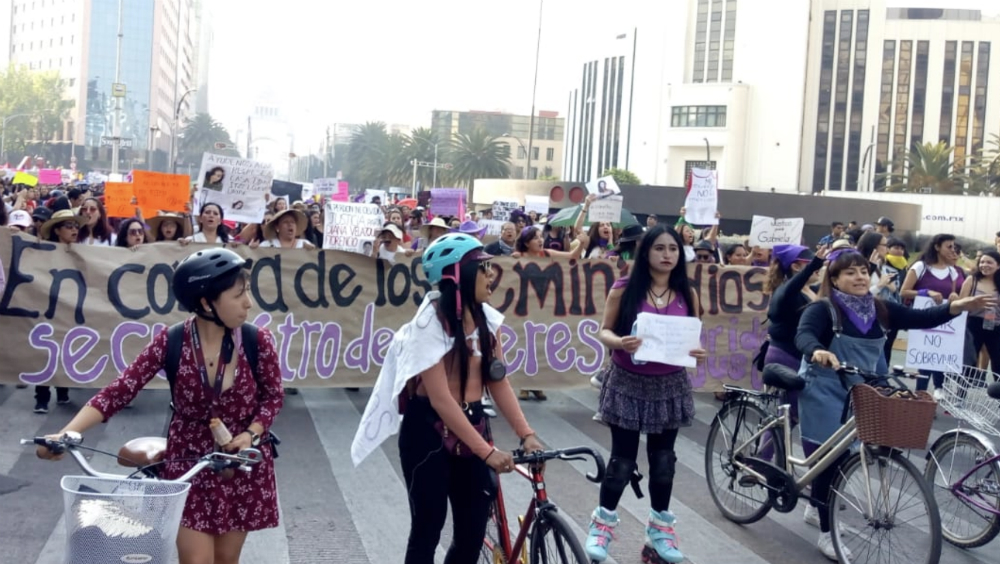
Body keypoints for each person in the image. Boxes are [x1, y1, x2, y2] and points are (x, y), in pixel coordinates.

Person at [36, 248, 284, 564]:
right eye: (239, 295)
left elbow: (274, 396)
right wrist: (65, 433)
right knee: (196, 561)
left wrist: (252, 432)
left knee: (225, 559)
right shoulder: (172, 341)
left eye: (247, 291)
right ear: (207, 303)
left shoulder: (256, 340)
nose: (249, 302)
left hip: (240, 464)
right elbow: (119, 391)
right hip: (187, 463)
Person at [351, 233, 543, 564]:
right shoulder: (428, 324)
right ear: (457, 275)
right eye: (482, 268)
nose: (490, 275)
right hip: (427, 433)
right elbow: (440, 399)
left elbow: (498, 382)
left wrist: (526, 434)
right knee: (427, 529)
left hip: (472, 423)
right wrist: (487, 452)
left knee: (471, 534)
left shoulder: (486, 319)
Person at [794, 248, 993, 560]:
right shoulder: (823, 310)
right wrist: (818, 350)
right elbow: (803, 336)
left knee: (848, 456)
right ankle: (824, 532)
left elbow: (922, 317)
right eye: (849, 273)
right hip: (825, 388)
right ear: (833, 279)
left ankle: (816, 502)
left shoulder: (881, 308)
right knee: (830, 460)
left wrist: (959, 306)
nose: (859, 277)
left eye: (862, 271)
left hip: (866, 388)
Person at [585, 225, 707, 564]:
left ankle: (659, 530)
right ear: (646, 253)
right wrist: (619, 342)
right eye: (660, 248)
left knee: (663, 462)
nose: (667, 254)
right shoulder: (625, 288)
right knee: (622, 463)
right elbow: (604, 330)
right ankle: (602, 525)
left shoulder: (687, 292)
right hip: (627, 380)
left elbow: (693, 335)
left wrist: (697, 351)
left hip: (670, 384)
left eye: (673, 249)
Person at [900, 233, 965, 396]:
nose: (952, 250)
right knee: (925, 352)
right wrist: (926, 292)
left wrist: (954, 296)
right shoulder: (921, 267)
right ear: (937, 247)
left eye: (954, 247)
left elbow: (951, 294)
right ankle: (921, 391)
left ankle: (938, 387)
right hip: (922, 316)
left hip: (943, 320)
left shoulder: (952, 272)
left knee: (940, 351)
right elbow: (904, 292)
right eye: (948, 246)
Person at [959, 250, 1000, 382]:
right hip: (973, 324)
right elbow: (960, 303)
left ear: (998, 265)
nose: (984, 265)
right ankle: (960, 397)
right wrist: (975, 304)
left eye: (989, 262)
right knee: (968, 362)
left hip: (995, 325)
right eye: (982, 262)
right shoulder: (972, 279)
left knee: (998, 363)